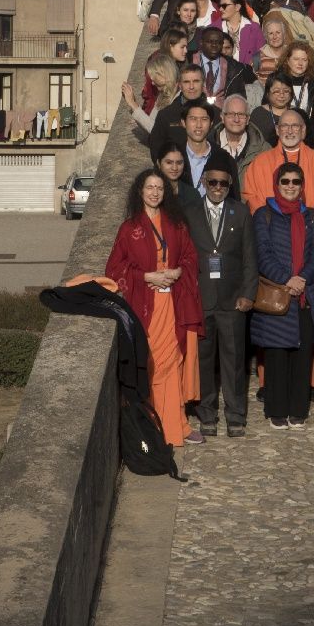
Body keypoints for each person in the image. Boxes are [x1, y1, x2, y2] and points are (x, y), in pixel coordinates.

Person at [108, 169, 203, 448]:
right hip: (144, 306)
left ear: (165, 192)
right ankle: (154, 425)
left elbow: (190, 257)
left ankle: (178, 425)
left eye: (159, 188)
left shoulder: (176, 224)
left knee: (173, 363)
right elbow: (114, 269)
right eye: (149, 187)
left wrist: (175, 271)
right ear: (140, 191)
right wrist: (147, 276)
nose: (154, 193)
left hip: (173, 303)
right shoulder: (129, 228)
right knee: (152, 365)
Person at [181, 154, 257, 438]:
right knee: (203, 361)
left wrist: (248, 294)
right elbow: (184, 258)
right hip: (201, 300)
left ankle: (236, 416)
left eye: (223, 183)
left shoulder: (241, 212)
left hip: (232, 301)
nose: (217, 187)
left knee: (235, 362)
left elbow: (251, 257)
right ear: (203, 181)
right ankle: (207, 414)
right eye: (212, 181)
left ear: (229, 185)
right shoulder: (189, 212)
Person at [251, 163, 314, 429]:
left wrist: (303, 278)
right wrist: (288, 279)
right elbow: (262, 253)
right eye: (285, 181)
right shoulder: (263, 215)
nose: (291, 186)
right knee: (275, 354)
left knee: (302, 353)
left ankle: (299, 409)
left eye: (296, 181)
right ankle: (276, 410)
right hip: (278, 294)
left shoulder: (312, 217)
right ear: (277, 183)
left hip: (306, 296)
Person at [243, 106, 314, 212]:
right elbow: (251, 197)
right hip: (270, 225)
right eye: (285, 126)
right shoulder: (260, 162)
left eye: (295, 126)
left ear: (303, 130)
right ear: (277, 130)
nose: (289, 131)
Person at [148, 65, 210, 160]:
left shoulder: (215, 114)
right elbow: (156, 152)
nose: (191, 87)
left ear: (203, 83)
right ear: (179, 85)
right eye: (186, 82)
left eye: (196, 81)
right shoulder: (165, 116)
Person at [279, 41, 314, 148]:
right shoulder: (277, 84)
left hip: (311, 144)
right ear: (287, 61)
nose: (300, 63)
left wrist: (308, 141)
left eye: (304, 59)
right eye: (296, 59)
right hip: (282, 141)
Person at [213, 93, 268, 179]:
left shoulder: (264, 150)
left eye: (241, 114)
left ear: (248, 119)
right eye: (231, 114)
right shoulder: (207, 146)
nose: (236, 119)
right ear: (222, 117)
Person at [195, 25, 248, 107]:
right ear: (201, 42)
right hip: (194, 110)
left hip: (222, 113)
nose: (214, 45)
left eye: (218, 42)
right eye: (210, 41)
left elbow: (239, 97)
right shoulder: (188, 61)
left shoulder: (234, 67)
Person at [218, 0, 262, 67]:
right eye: (220, 6)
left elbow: (260, 57)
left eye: (224, 6)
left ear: (237, 7)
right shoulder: (214, 28)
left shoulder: (254, 28)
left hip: (247, 76)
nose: (220, 9)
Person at [180, 100, 217, 194]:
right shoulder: (173, 155)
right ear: (183, 122)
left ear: (211, 123)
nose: (199, 125)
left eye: (204, 119)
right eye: (193, 119)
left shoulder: (223, 158)